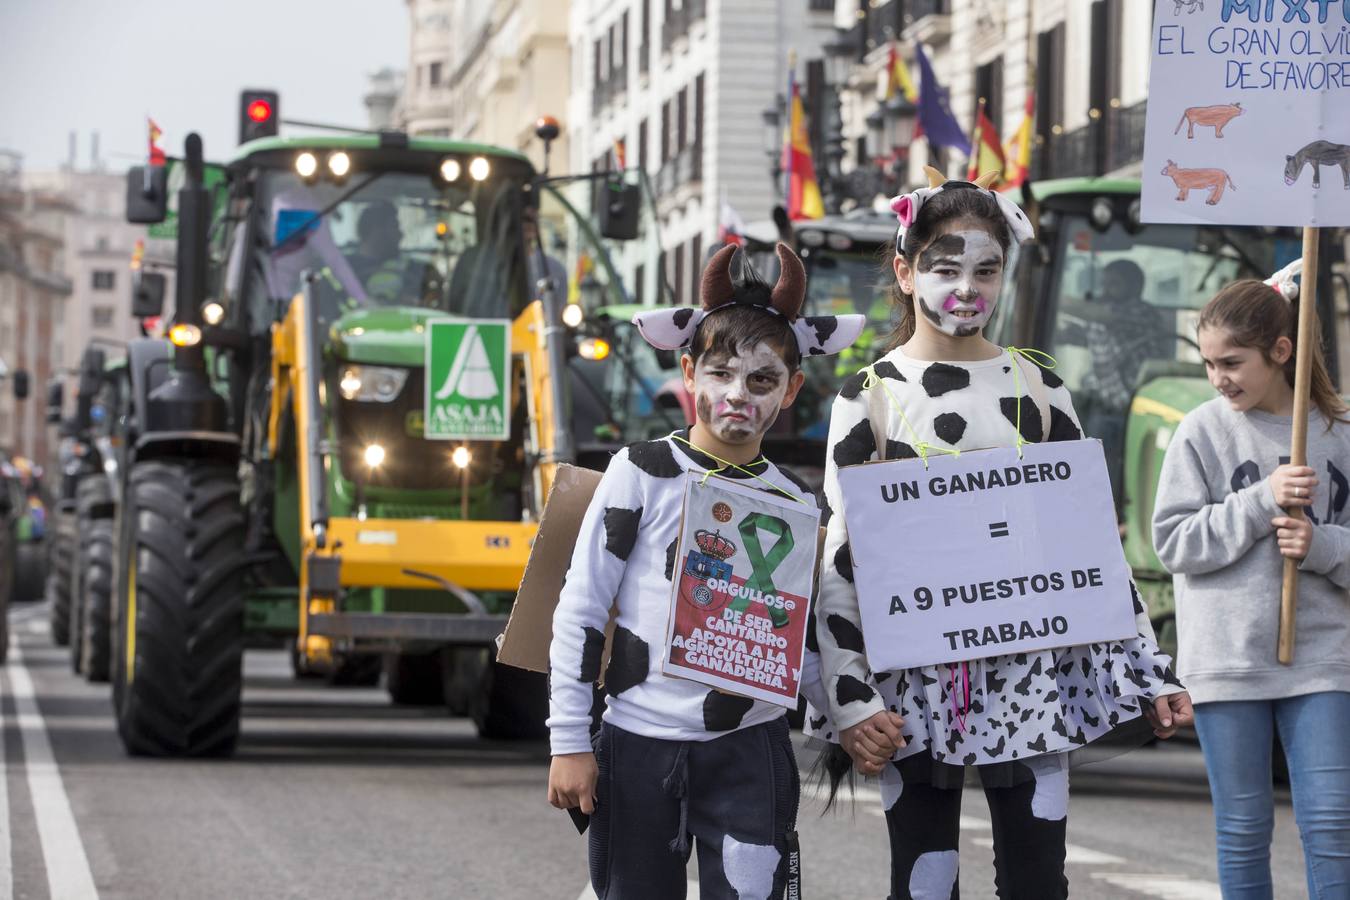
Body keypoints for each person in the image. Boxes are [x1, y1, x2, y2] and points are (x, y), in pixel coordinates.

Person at [812, 168, 1194, 900]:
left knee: (1038, 882)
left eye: (986, 270)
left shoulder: (1040, 386)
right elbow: (843, 557)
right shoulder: (870, 397)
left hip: (1030, 675)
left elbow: (1089, 540)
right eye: (946, 267)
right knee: (924, 882)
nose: (968, 288)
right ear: (905, 268)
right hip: (915, 682)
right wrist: (853, 697)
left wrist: (1151, 666)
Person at [546, 243, 864, 900]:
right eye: (720, 374)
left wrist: (850, 715)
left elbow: (796, 640)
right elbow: (581, 605)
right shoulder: (639, 472)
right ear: (688, 372)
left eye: (761, 380)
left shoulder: (796, 502)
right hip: (637, 742)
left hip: (750, 750)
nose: (737, 396)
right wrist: (570, 740)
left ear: (792, 387)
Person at [1152, 265, 1350, 900]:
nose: (1218, 378)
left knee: (1332, 826)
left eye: (1232, 362)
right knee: (1242, 829)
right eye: (1209, 363)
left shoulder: (1339, 433)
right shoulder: (1200, 431)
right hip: (1227, 660)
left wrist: (1321, 546)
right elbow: (1175, 541)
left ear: (1281, 351)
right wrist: (1261, 500)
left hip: (1323, 659)